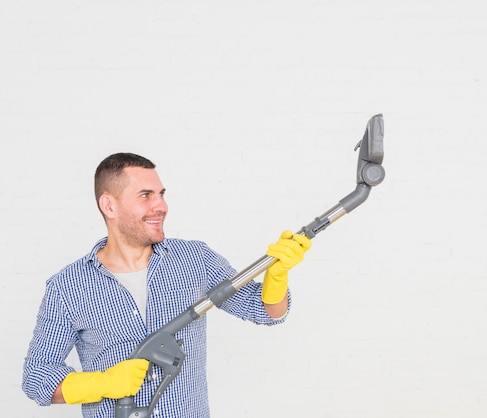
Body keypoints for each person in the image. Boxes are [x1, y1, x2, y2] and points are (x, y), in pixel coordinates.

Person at [22, 152, 312, 417]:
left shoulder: (195, 259)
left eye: (161, 194)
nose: (161, 206)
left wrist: (276, 275)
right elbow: (36, 378)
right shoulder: (67, 287)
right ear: (109, 205)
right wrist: (101, 383)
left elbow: (265, 311)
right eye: (145, 195)